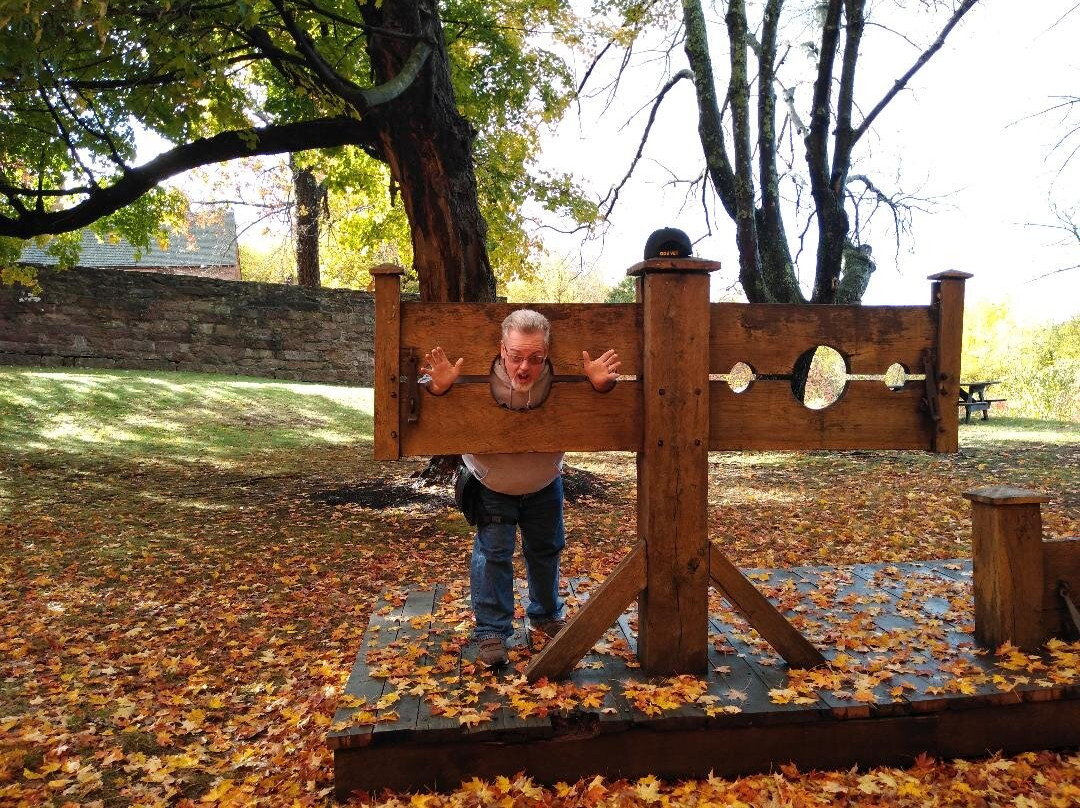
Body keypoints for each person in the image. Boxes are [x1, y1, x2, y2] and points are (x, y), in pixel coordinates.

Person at [423, 309, 620, 668]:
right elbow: (428, 401)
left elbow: (597, 402)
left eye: (535, 358)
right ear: (501, 350)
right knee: (493, 555)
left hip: (544, 482)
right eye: (515, 357)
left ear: (547, 355)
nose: (524, 367)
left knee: (546, 549)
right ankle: (492, 633)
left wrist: (600, 387)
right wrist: (440, 388)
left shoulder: (559, 376)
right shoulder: (478, 375)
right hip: (490, 482)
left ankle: (546, 614)